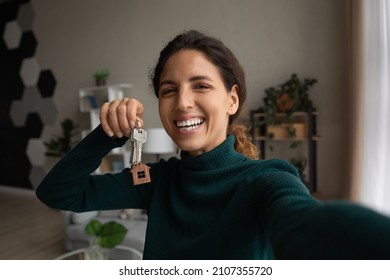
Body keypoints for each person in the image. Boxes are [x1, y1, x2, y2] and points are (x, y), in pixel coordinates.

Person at [36, 30, 390, 260]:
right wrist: (105, 135)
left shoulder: (268, 178)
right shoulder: (154, 181)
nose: (183, 102)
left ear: (232, 100)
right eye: (169, 90)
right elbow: (58, 194)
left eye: (201, 86)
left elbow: (304, 224)